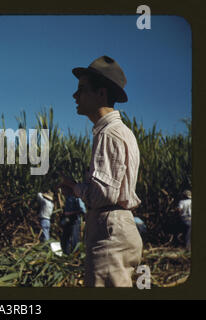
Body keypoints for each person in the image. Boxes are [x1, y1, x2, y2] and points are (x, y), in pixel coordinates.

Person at [61, 56, 143, 287]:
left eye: (82, 90)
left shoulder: (109, 134)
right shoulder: (117, 131)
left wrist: (76, 188)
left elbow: (103, 195)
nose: (75, 96)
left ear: (101, 94)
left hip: (110, 230)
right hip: (116, 228)